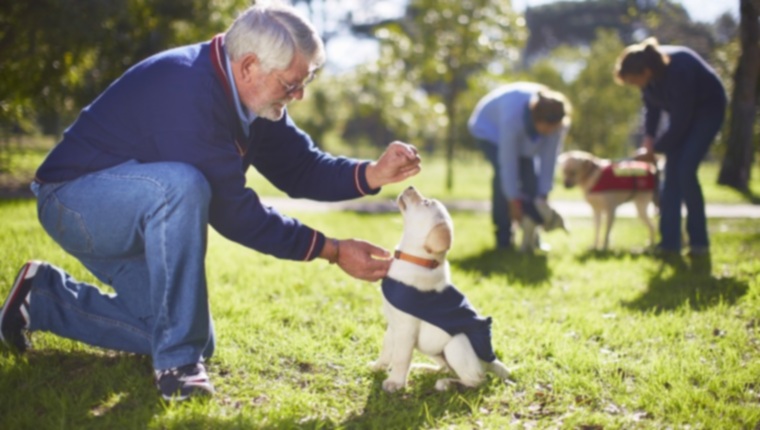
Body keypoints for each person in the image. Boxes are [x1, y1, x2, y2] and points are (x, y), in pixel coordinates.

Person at [0, 2, 420, 401]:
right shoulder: (189, 93)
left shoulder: (252, 97)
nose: (298, 97)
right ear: (250, 65)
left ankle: (42, 299)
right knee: (182, 186)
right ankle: (177, 367)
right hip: (74, 201)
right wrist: (331, 250)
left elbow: (300, 167)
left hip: (132, 214)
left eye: (303, 83)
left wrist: (372, 173)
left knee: (193, 333)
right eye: (291, 84)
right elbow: (233, 213)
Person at [614, 37, 726, 256]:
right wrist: (648, 140)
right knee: (671, 175)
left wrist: (655, 149)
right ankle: (669, 244)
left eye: (634, 81)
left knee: (685, 170)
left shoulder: (679, 70)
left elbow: (682, 122)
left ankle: (699, 243)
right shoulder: (649, 80)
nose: (635, 86)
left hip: (708, 112)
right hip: (682, 118)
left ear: (645, 71)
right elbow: (652, 110)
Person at [468, 82, 571, 250]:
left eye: (553, 130)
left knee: (532, 180)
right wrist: (513, 200)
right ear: (535, 120)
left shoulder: (557, 125)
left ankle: (532, 238)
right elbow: (507, 164)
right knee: (503, 180)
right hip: (489, 130)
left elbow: (548, 161)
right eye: (546, 129)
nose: (549, 134)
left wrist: (543, 195)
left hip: (520, 138)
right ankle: (503, 238)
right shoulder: (512, 119)